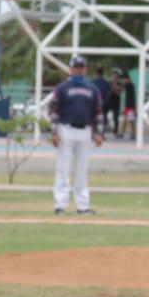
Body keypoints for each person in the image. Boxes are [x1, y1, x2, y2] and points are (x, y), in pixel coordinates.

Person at [50, 55, 105, 215]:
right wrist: (54, 131)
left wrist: (99, 133)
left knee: (82, 169)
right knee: (63, 167)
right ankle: (60, 204)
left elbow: (98, 112)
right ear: (71, 69)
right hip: (66, 128)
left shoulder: (92, 89)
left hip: (85, 130)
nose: (79, 70)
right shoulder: (62, 88)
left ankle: (82, 205)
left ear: (85, 69)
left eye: (81, 67)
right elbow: (54, 110)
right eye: (76, 67)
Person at [117, 69, 137, 140]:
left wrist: (116, 83)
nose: (122, 81)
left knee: (128, 120)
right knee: (130, 120)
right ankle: (133, 134)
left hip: (130, 106)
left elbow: (121, 88)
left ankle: (123, 133)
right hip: (130, 105)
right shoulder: (130, 85)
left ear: (126, 79)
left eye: (123, 79)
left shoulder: (128, 85)